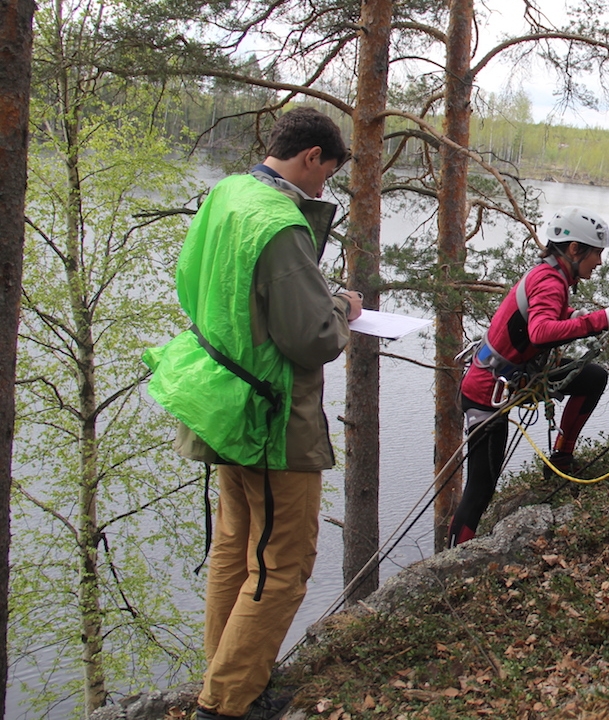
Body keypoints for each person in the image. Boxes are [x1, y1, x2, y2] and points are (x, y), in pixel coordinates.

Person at [143, 107, 360, 720]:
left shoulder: (228, 195)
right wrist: (343, 306)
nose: (324, 189)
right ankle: (228, 701)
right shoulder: (280, 223)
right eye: (327, 175)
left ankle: (226, 678)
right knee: (285, 563)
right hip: (270, 416)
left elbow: (191, 281)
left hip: (221, 401)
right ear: (312, 156)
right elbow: (314, 338)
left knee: (236, 551)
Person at [447, 207, 609, 548]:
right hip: (490, 391)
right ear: (575, 250)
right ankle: (452, 557)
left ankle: (561, 459)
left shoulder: (551, 276)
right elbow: (540, 332)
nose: (600, 262)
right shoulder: (550, 279)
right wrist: (598, 321)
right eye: (597, 253)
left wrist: (575, 316)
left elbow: (542, 317)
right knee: (481, 486)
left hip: (512, 380)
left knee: (591, 377)